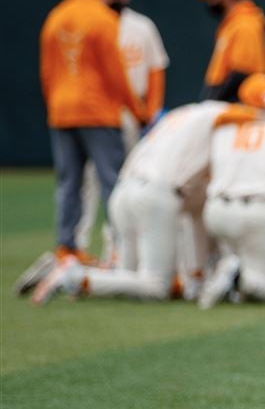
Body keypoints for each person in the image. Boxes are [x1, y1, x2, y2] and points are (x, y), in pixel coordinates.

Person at [30, 101, 228, 305]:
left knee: (126, 278)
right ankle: (73, 277)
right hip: (155, 194)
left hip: (124, 190)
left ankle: (65, 269)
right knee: (156, 285)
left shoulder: (181, 114)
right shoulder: (223, 117)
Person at [31, 0, 149, 275]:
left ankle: (66, 248)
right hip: (98, 110)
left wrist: (55, 104)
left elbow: (46, 72)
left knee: (69, 181)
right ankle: (123, 248)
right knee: (113, 181)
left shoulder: (57, 15)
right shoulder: (102, 18)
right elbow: (115, 73)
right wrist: (136, 110)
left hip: (61, 110)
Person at [75, 0, 169, 257]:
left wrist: (151, 112)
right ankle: (78, 244)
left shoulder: (141, 26)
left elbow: (156, 70)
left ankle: (121, 244)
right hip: (99, 111)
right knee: (92, 180)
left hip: (134, 111)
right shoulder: (91, 24)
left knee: (132, 177)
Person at [198, 74, 265, 308]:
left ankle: (228, 270)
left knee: (241, 254)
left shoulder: (223, 131)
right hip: (258, 209)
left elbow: (207, 175)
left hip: (216, 209)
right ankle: (238, 276)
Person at [195, 0, 265, 102]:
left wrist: (214, 101)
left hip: (236, 105)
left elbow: (242, 73)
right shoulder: (232, 24)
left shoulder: (245, 24)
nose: (209, 2)